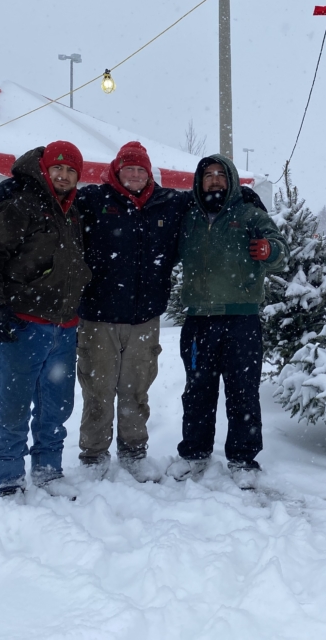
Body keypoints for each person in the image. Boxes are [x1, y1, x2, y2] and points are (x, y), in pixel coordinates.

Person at [0, 141, 92, 497]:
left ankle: (48, 469)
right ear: (45, 169)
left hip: (65, 326)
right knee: (14, 404)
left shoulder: (72, 211)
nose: (64, 175)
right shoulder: (20, 204)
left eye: (71, 170)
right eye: (58, 168)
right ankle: (7, 475)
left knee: (58, 405)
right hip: (24, 323)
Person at [74, 141, 191, 481]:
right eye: (129, 169)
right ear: (117, 170)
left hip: (144, 318)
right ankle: (94, 455)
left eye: (141, 169)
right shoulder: (93, 200)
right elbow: (55, 202)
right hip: (99, 317)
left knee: (135, 389)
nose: (135, 175)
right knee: (97, 389)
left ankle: (133, 451)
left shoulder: (166, 203)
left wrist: (249, 197)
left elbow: (208, 195)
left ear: (148, 173)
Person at [168, 154, 287, 488]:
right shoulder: (189, 217)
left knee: (243, 393)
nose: (215, 180)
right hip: (198, 322)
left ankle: (243, 459)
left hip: (241, 321)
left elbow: (280, 248)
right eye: (209, 175)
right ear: (199, 181)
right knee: (197, 392)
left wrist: (269, 250)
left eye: (222, 174)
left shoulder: (250, 214)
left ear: (231, 180)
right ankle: (194, 454)